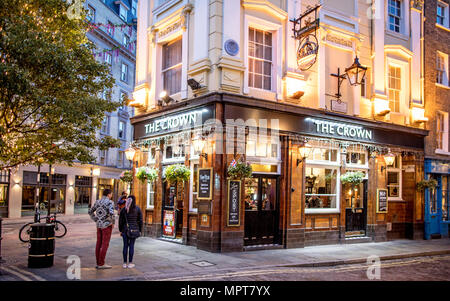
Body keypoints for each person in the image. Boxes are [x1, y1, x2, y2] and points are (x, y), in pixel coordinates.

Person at [88, 188, 115, 269]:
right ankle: (101, 263)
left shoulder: (97, 201)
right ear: (108, 194)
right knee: (105, 244)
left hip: (98, 225)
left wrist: (96, 219)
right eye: (111, 194)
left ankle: (98, 262)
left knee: (98, 243)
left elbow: (90, 211)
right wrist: (112, 222)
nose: (111, 195)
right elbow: (111, 213)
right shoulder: (110, 202)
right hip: (106, 225)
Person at [119, 195, 142, 269]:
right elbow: (140, 221)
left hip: (125, 230)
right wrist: (140, 230)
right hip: (134, 230)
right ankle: (130, 263)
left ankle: (125, 263)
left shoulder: (123, 210)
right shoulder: (137, 209)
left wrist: (120, 230)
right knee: (131, 246)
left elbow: (120, 221)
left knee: (125, 246)